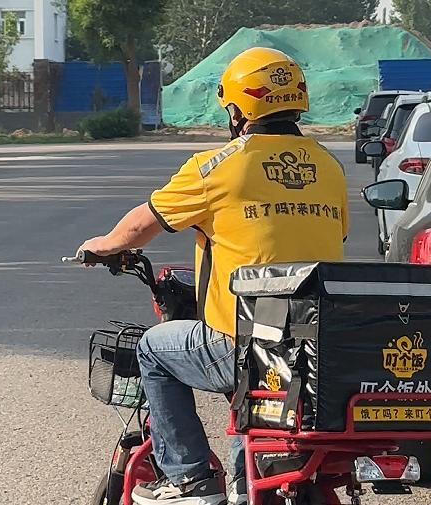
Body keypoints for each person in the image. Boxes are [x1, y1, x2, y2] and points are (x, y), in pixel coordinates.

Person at [77, 47, 349, 505]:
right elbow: (334, 233)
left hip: (246, 342)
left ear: (238, 110)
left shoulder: (217, 166)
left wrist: (102, 245)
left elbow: (143, 224)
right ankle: (248, 479)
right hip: (320, 345)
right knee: (255, 394)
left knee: (153, 350)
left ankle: (189, 477)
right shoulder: (330, 167)